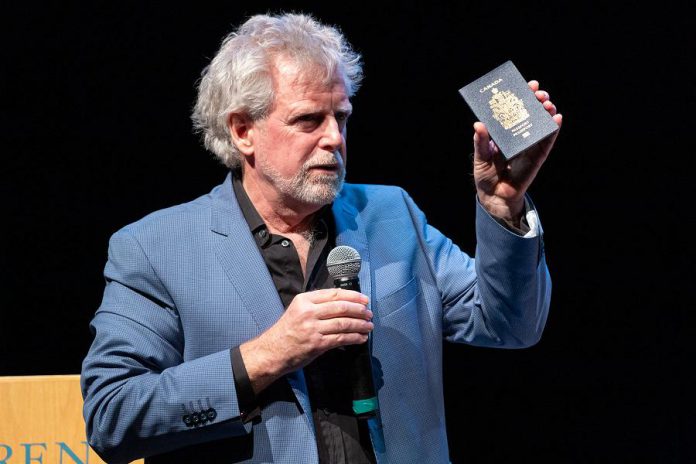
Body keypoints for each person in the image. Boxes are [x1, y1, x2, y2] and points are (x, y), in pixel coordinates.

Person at [81, 12, 561, 464]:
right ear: (243, 130)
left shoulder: (391, 214)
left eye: (342, 117)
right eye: (309, 120)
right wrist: (267, 354)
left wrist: (503, 207)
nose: (334, 138)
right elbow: (112, 416)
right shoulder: (155, 247)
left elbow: (509, 326)